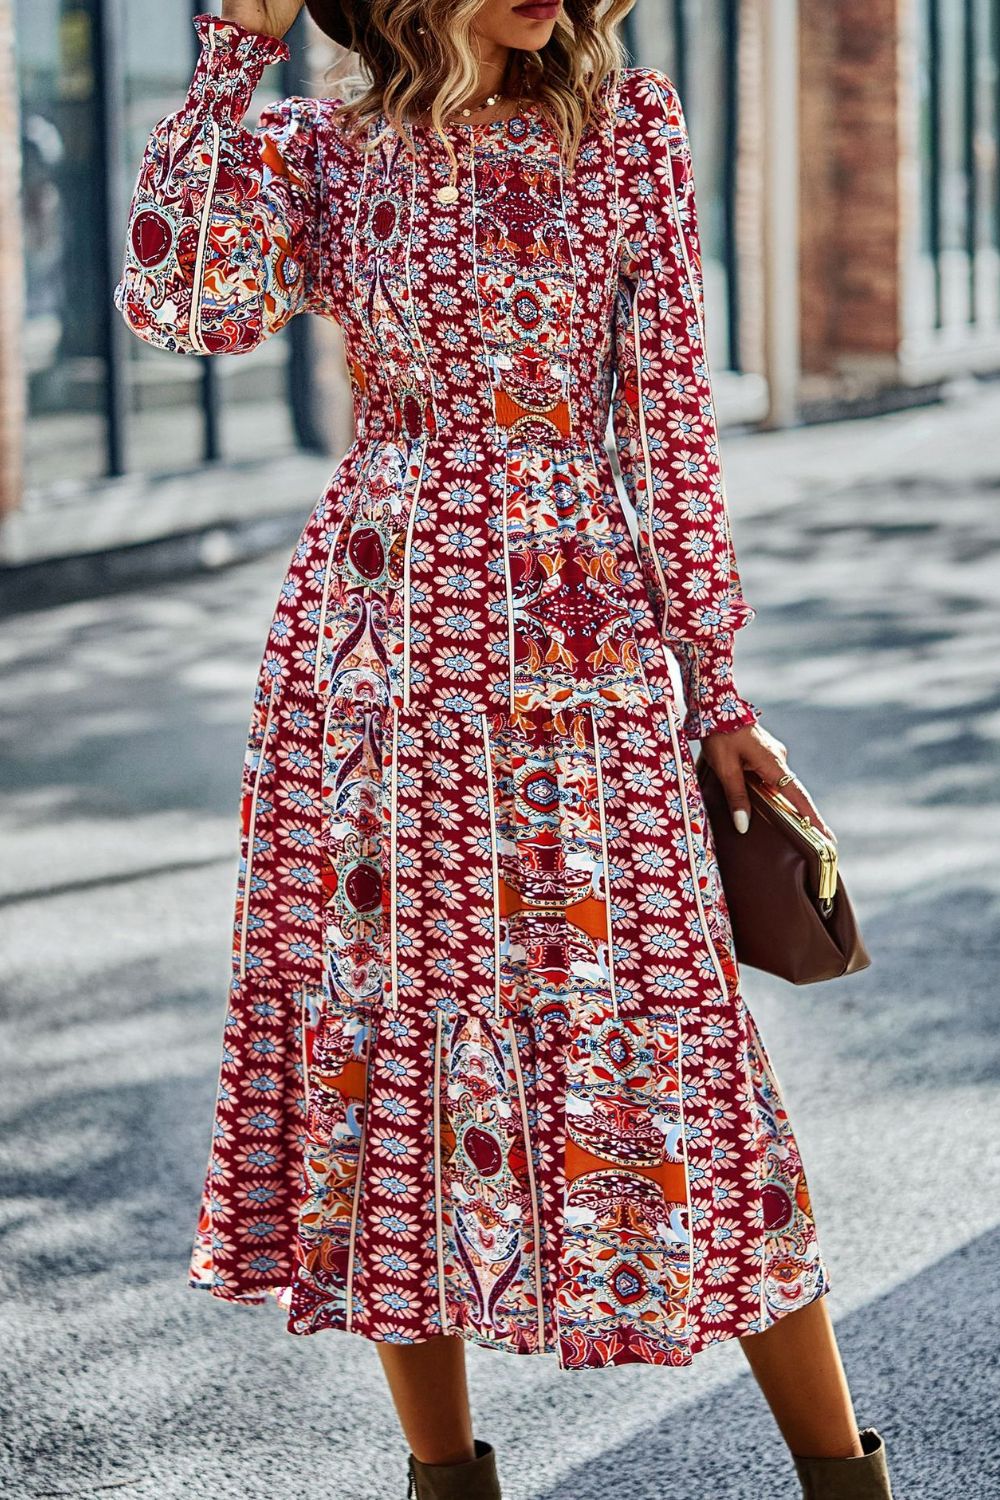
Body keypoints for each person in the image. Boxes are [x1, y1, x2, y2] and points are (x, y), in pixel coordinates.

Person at [114, 4, 895, 1497]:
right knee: (391, 1048)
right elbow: (177, 304)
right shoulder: (318, 148)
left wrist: (716, 688)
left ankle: (844, 1482)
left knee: (672, 1034)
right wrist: (227, 49)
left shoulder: (631, 131)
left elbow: (668, 420)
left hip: (578, 651)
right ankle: (448, 1481)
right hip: (371, 661)